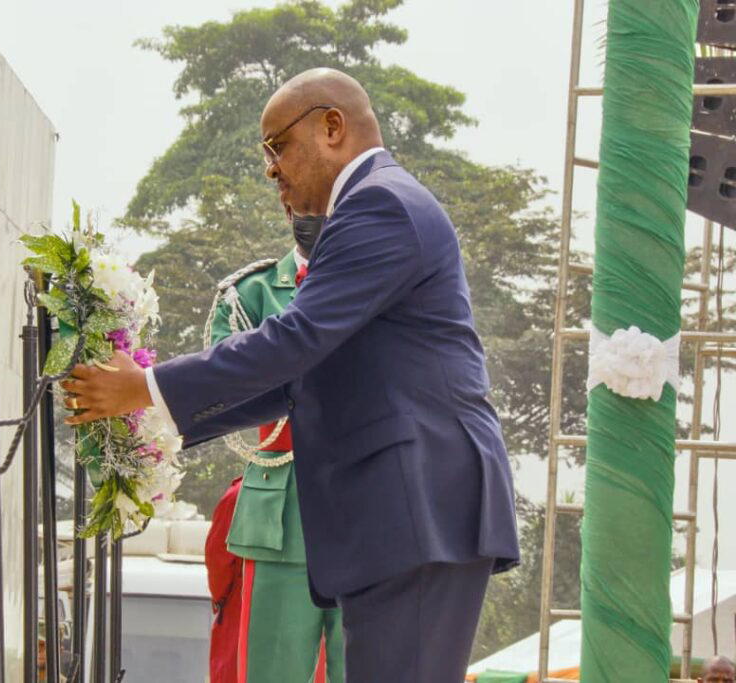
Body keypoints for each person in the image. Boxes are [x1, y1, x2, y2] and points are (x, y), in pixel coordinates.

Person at [62, 67, 520, 682]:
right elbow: (297, 379)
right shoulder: (370, 207)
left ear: (333, 127)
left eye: (278, 145)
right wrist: (151, 415)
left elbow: (293, 341)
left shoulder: (378, 204)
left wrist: (144, 386)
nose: (271, 169)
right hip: (407, 512)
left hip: (416, 506)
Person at [206, 226, 343, 683]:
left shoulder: (377, 283)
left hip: (367, 508)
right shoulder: (251, 292)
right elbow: (226, 388)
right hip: (282, 514)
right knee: (270, 672)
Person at [206, 476, 244, 683]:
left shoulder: (239, 494)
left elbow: (218, 557)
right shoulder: (318, 488)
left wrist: (221, 601)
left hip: (241, 612)